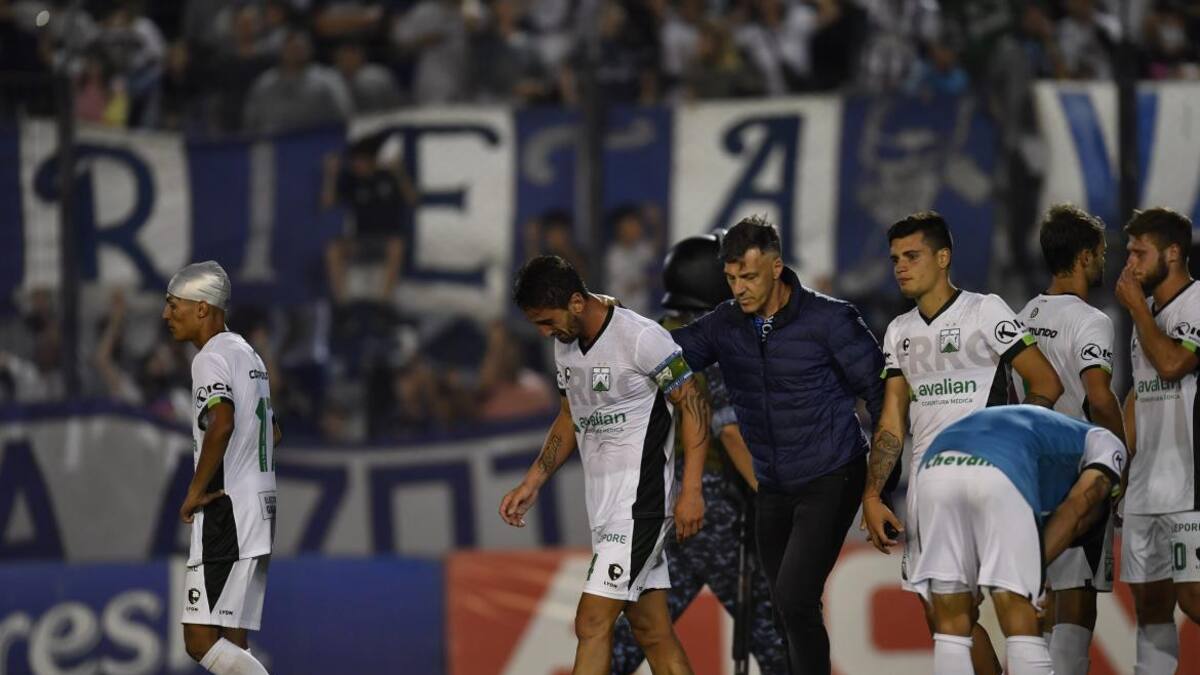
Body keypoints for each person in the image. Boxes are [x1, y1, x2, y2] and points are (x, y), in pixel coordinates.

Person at [669, 216, 885, 674]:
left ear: (776, 267)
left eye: (748, 276)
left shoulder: (831, 319)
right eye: (730, 279)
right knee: (784, 609)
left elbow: (884, 393)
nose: (739, 288)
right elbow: (664, 356)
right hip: (772, 488)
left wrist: (878, 488)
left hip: (832, 476)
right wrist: (608, 333)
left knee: (793, 597)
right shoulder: (726, 323)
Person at [861, 211, 1063, 674]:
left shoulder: (985, 310)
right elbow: (893, 419)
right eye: (894, 259)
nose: (900, 267)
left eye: (912, 256)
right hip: (930, 488)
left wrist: (1011, 446)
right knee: (945, 617)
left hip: (993, 482)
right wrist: (873, 494)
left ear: (943, 257)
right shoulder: (899, 332)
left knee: (1015, 608)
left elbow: (1045, 383)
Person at [499, 255, 709, 675]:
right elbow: (568, 416)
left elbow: (692, 402)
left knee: (591, 621)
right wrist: (533, 480)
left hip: (639, 505)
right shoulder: (566, 345)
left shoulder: (640, 338)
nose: (544, 333)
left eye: (546, 321)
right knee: (653, 632)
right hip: (606, 508)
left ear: (576, 302)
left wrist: (691, 490)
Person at [609, 234, 787, 674]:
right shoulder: (716, 342)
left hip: (654, 507)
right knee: (781, 635)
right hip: (712, 507)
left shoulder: (653, 336)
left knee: (635, 638)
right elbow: (729, 432)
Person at [908, 405, 1126, 675]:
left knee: (950, 618)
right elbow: (1078, 506)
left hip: (935, 467)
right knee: (1020, 610)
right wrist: (1032, 572)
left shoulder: (1044, 433)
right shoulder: (1106, 443)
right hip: (1000, 466)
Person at [1014, 204, 1125, 674]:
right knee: (1077, 600)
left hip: (1028, 471)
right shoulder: (1091, 320)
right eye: (1099, 253)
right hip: (1077, 472)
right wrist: (1118, 457)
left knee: (1040, 600)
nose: (1102, 262)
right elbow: (1099, 397)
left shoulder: (1022, 316)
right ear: (1083, 257)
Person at [165, 261, 279, 675]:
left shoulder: (209, 358)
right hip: (259, 510)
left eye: (173, 304)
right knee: (233, 639)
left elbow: (223, 421)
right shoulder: (248, 353)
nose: (165, 315)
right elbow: (273, 432)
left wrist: (196, 491)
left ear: (202, 307)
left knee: (199, 640)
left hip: (226, 512)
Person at [1114, 207, 1200, 674]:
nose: (1130, 264)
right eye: (1128, 253)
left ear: (1173, 253)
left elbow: (1172, 365)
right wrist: (1117, 463)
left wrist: (1136, 312)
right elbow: (1141, 390)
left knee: (1194, 600)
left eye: (1139, 253)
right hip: (1147, 486)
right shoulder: (1142, 311)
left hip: (1190, 485)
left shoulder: (1198, 303)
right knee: (1150, 607)